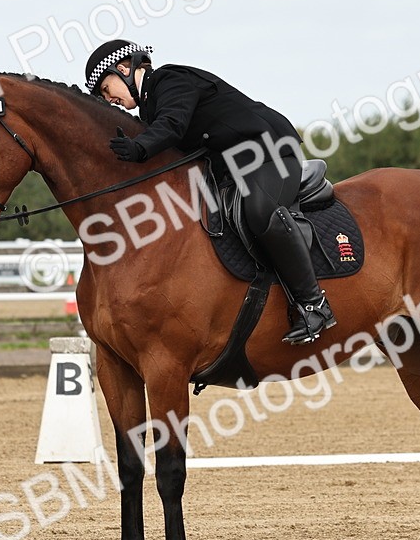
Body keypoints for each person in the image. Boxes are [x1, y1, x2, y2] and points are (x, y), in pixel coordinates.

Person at [84, 39, 336, 345]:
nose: (108, 98)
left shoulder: (169, 79)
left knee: (260, 212)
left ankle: (315, 305)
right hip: (231, 168)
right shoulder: (149, 108)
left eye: (106, 88)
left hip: (270, 151)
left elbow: (172, 126)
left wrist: (139, 147)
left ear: (124, 69)